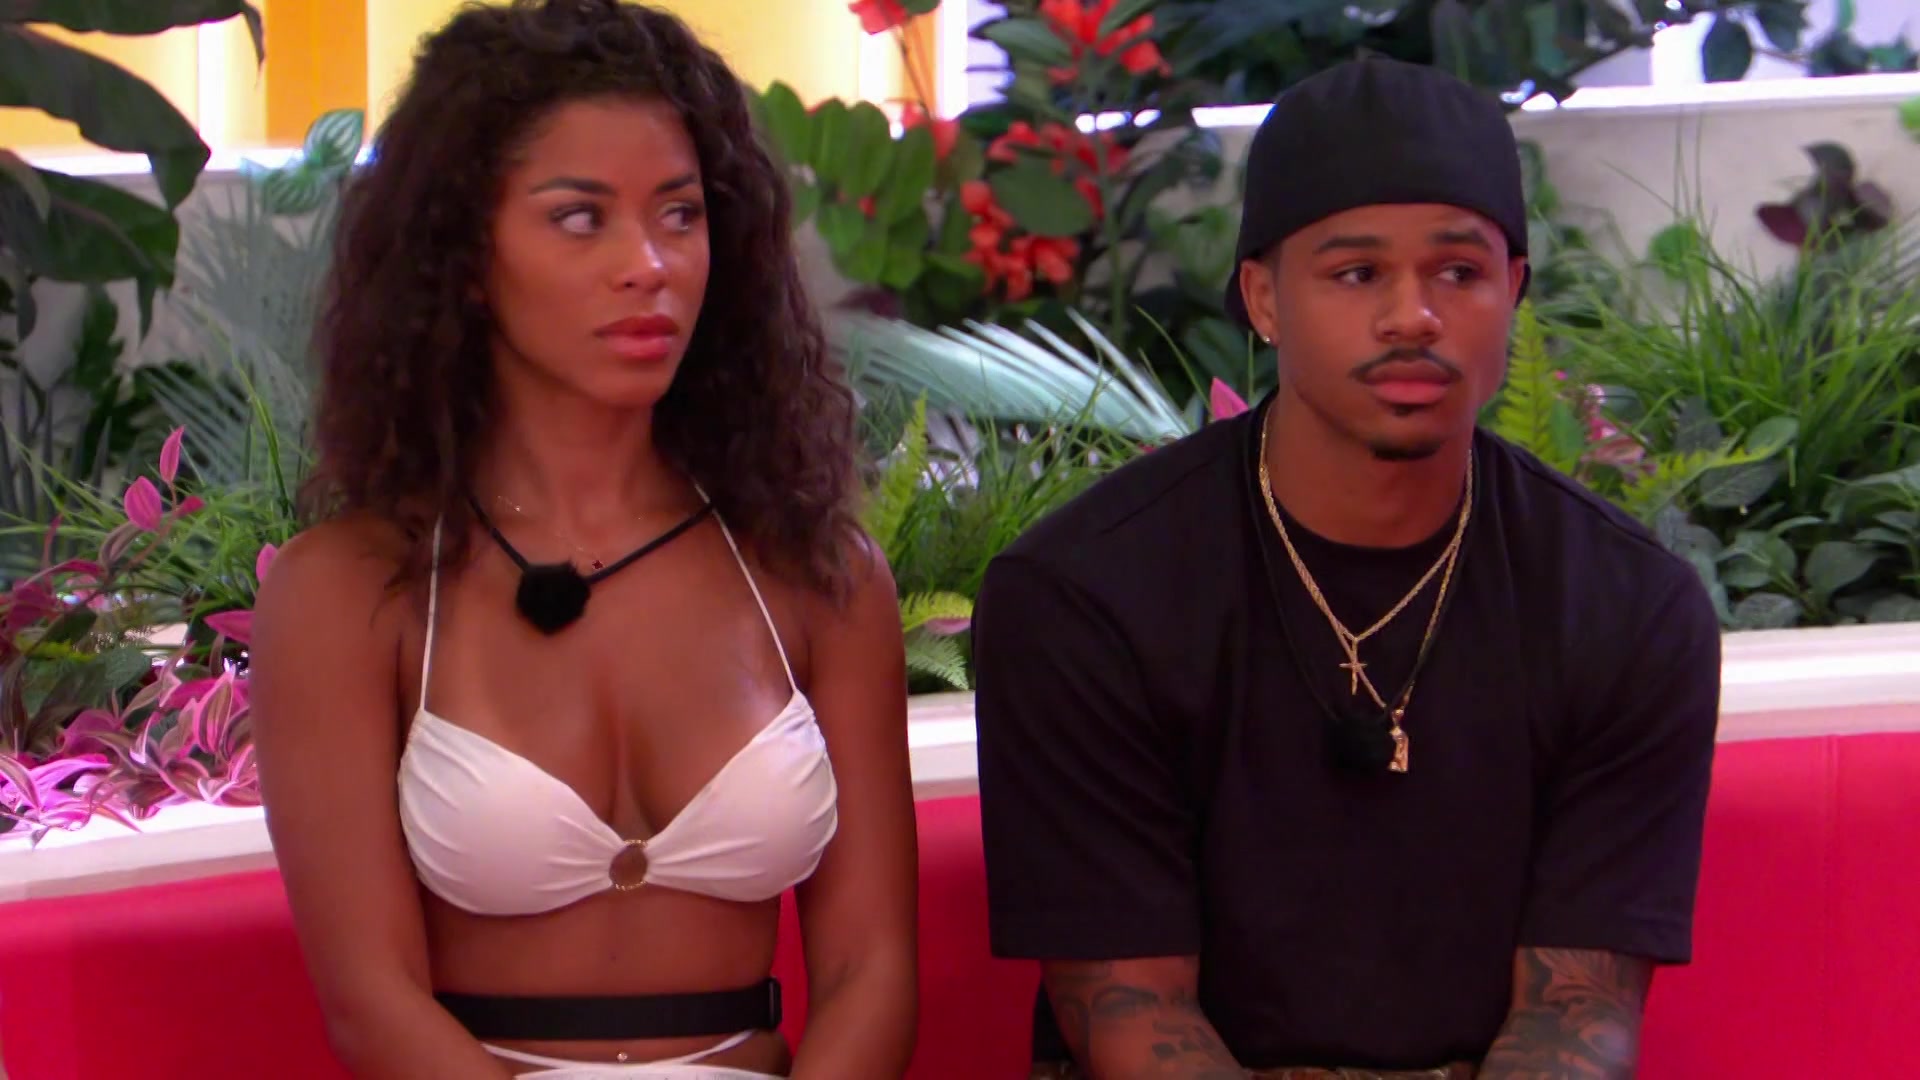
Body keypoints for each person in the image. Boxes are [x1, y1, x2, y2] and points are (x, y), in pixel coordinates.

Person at [970, 56, 1722, 1079]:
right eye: (1358, 274)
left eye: (1458, 273)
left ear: (1514, 292)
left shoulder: (1627, 607)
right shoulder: (1083, 598)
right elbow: (1128, 1012)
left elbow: (1576, 1013)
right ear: (1263, 298)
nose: (1413, 317)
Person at [248, 3, 918, 1076]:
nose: (648, 264)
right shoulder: (351, 590)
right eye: (578, 218)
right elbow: (371, 1005)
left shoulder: (813, 570)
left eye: (680, 214)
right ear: (466, 255)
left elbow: (871, 973)